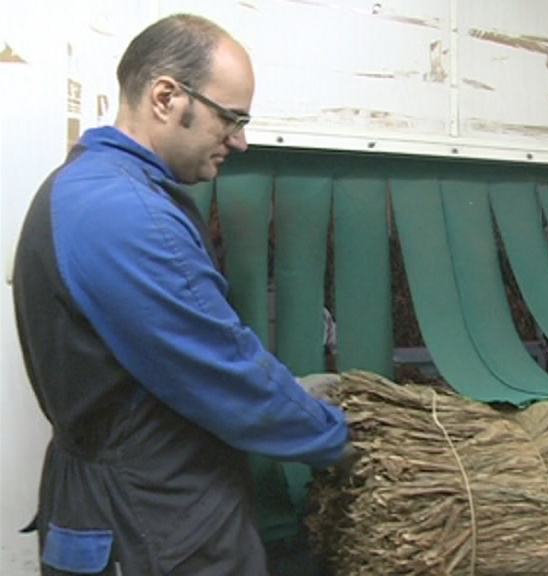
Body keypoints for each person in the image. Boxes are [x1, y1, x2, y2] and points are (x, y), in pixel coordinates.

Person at [12, 14, 352, 575]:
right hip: (154, 524)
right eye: (231, 118)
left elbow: (152, 364)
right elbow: (220, 369)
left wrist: (287, 391)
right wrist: (336, 437)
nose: (240, 141)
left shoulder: (83, 190)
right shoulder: (129, 213)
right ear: (167, 97)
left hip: (115, 509)